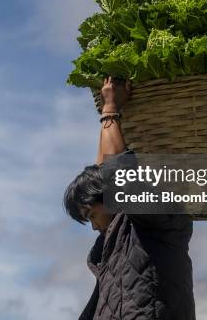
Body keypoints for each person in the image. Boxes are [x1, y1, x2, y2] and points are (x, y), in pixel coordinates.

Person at [63, 77, 196, 320]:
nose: (94, 226)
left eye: (92, 215)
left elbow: (115, 176)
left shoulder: (157, 218)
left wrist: (110, 109)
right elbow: (104, 171)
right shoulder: (116, 239)